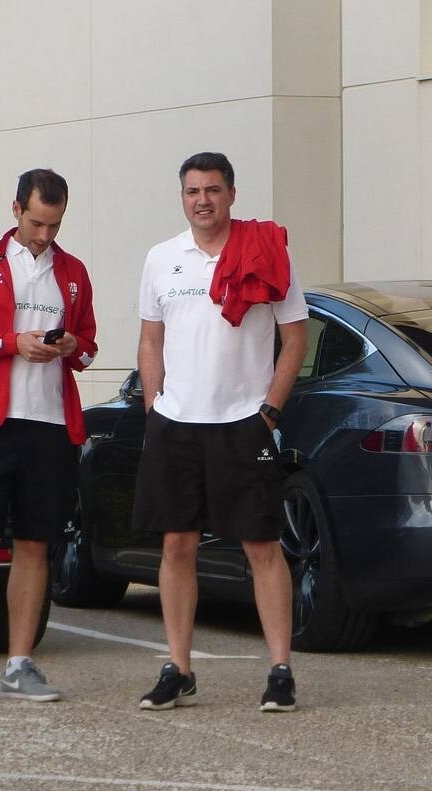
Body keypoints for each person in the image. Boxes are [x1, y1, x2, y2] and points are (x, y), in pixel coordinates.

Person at [133, 151, 308, 713]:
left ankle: (280, 669)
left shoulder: (264, 252)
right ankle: (178, 668)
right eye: (191, 191)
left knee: (261, 546)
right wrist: (154, 405)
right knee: (176, 544)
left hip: (242, 421)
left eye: (211, 189)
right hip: (177, 423)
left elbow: (296, 339)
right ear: (181, 197)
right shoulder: (162, 259)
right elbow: (151, 340)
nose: (201, 200)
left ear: (232, 193)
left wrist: (271, 410)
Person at [0, 168, 98, 703]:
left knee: (35, 546)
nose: (44, 235)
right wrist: (11, 343)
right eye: (36, 222)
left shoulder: (72, 272)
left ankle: (21, 663)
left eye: (54, 225)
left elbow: (91, 349)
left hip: (50, 427)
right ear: (15, 210)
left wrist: (71, 344)